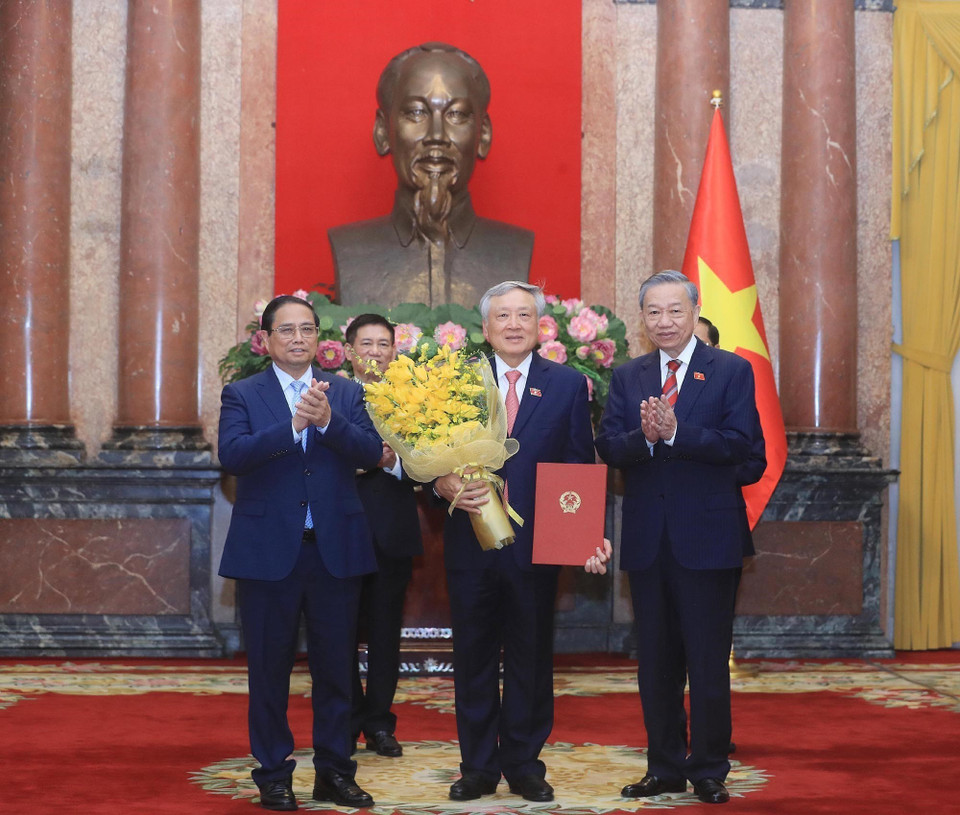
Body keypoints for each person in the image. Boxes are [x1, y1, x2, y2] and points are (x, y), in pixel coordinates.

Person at [434, 280, 610, 804]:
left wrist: (585, 534)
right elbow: (428, 453)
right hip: (470, 540)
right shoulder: (456, 383)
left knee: (532, 656)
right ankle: (478, 766)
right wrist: (438, 483)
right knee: (473, 656)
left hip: (539, 545)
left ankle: (525, 763)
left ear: (540, 327)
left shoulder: (567, 385)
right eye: (503, 317)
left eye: (524, 316)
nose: (514, 324)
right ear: (485, 329)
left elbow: (579, 463)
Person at [594, 271, 764, 805]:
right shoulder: (628, 376)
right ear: (641, 318)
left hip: (708, 539)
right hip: (648, 540)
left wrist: (675, 433)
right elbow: (608, 447)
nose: (664, 321)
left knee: (707, 660)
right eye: (653, 312)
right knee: (657, 663)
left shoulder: (731, 371)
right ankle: (664, 766)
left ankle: (709, 766)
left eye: (674, 311)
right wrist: (643, 439)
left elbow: (743, 450)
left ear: (694, 312)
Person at [218, 295, 383, 811]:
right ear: (266, 340)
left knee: (337, 671)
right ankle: (273, 773)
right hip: (269, 554)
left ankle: (335, 771)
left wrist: (330, 422)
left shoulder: (347, 391)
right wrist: (292, 426)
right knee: (269, 671)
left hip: (334, 551)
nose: (296, 338)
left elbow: (372, 452)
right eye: (285, 330)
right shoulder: (242, 393)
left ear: (320, 338)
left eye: (306, 329)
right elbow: (234, 456)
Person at [329, 42, 533, 309]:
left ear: (483, 134)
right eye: (416, 112)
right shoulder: (351, 249)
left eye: (456, 114)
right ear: (382, 131)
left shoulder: (514, 249)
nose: (436, 135)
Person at [343, 313, 424, 758]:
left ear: (394, 351)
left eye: (383, 344)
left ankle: (379, 723)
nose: (375, 352)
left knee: (385, 633)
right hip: (340, 530)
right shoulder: (328, 394)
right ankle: (349, 717)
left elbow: (424, 465)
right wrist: (361, 459)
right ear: (349, 350)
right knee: (339, 633)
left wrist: (389, 462)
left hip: (391, 530)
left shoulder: (410, 398)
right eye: (366, 344)